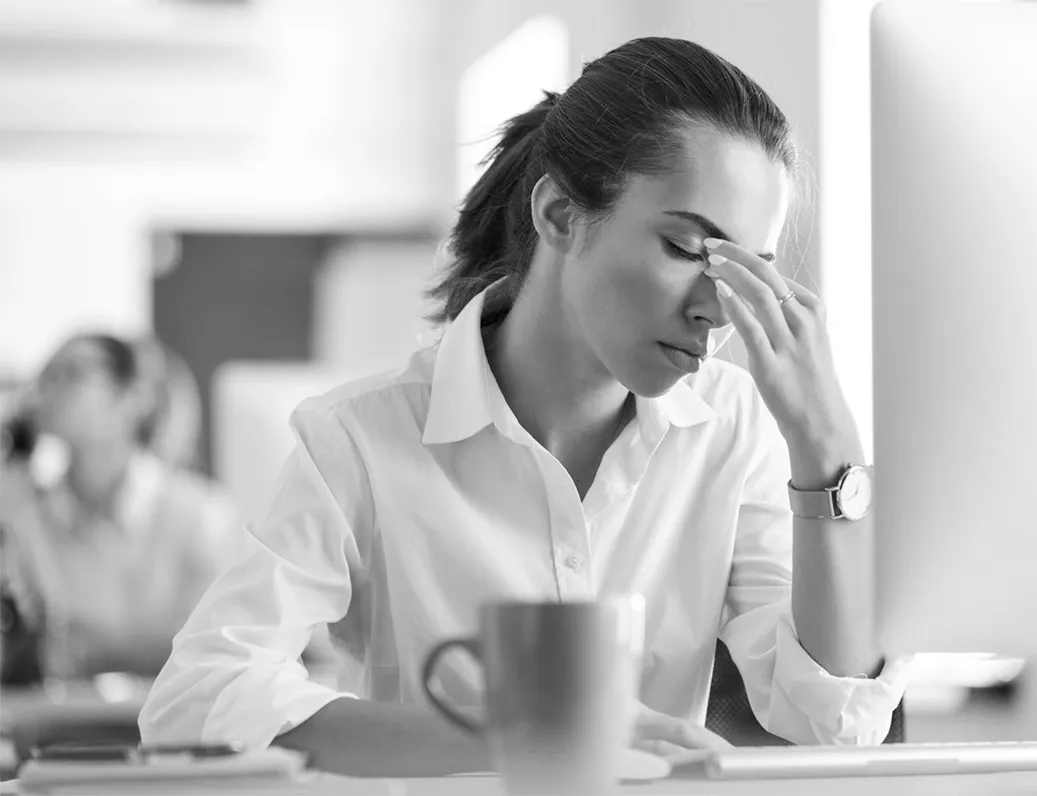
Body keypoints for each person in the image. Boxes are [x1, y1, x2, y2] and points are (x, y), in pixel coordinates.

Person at [139, 37, 911, 776]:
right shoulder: (361, 439)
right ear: (560, 216)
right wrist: (509, 738)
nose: (717, 308)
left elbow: (833, 719)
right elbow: (196, 698)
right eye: (686, 250)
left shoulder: (733, 427)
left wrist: (827, 444)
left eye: (747, 269)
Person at [0, 333, 242, 680]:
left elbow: (221, 649)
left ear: (132, 397)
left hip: (175, 725)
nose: (49, 389)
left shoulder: (199, 514)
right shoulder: (28, 515)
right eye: (46, 376)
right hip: (62, 725)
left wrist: (97, 652)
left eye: (72, 373)